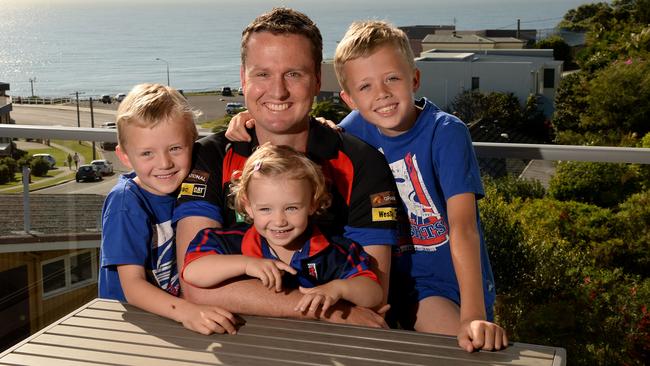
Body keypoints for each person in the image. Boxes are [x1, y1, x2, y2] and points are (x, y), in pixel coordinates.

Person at [227, 20, 508, 352]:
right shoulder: (354, 129)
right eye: (366, 87)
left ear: (414, 79)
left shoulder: (445, 133)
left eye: (392, 79)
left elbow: (464, 227)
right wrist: (250, 116)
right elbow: (316, 129)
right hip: (379, 279)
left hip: (440, 283)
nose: (382, 95)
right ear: (349, 98)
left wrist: (472, 316)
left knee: (459, 348)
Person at [174, 8, 399, 327]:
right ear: (243, 78)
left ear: (317, 80)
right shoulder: (210, 156)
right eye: (262, 74)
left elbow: (374, 296)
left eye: (294, 74)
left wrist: (245, 294)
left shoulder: (362, 163)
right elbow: (194, 285)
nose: (277, 91)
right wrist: (333, 311)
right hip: (232, 336)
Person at [98, 83, 238, 335]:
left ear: (193, 145)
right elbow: (132, 286)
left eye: (175, 148)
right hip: (129, 324)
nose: (164, 163)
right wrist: (186, 311)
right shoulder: (126, 203)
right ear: (125, 156)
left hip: (172, 316)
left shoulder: (190, 186)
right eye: (147, 153)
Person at [183, 144, 383, 314]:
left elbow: (374, 294)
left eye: (291, 208)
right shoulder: (226, 241)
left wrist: (339, 288)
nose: (279, 221)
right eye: (265, 209)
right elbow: (193, 272)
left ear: (313, 203)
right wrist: (246, 264)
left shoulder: (337, 251)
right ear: (247, 206)